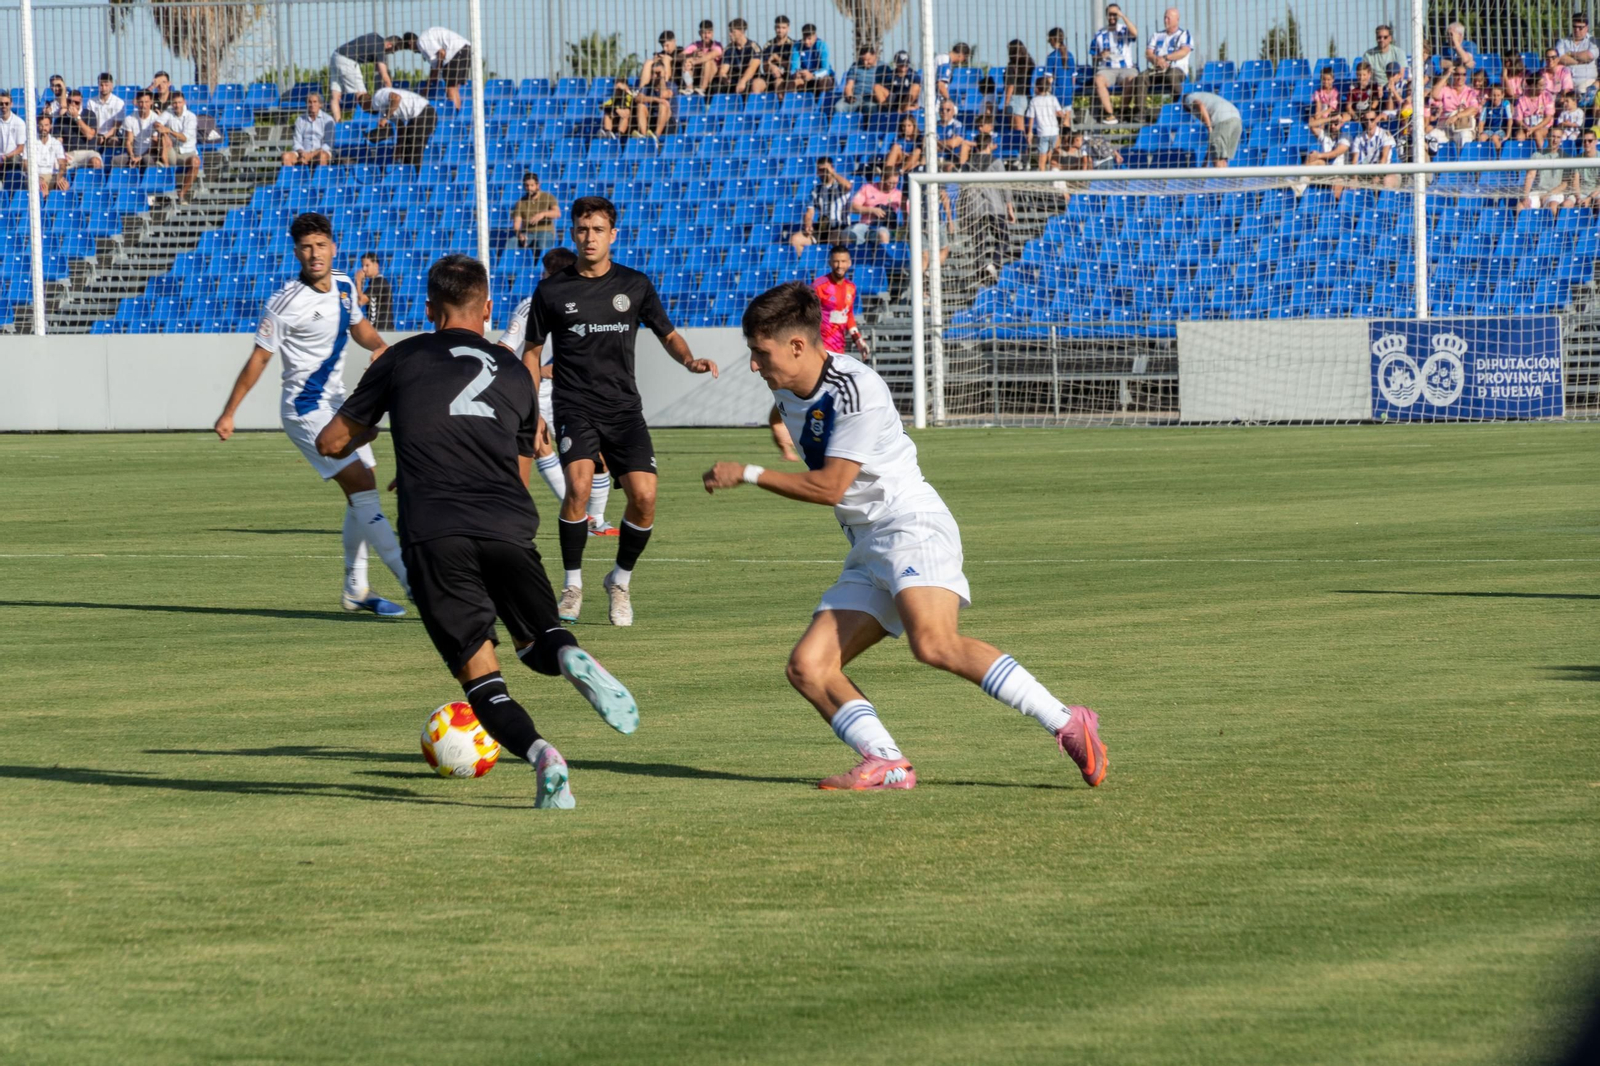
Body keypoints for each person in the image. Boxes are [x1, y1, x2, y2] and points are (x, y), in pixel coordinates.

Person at [702, 282, 1107, 792]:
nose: (755, 366)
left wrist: (749, 472)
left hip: (910, 526)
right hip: (868, 545)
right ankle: (888, 762)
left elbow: (830, 487)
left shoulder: (858, 390)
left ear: (798, 346)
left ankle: (1069, 723)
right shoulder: (786, 391)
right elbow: (798, 416)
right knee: (808, 666)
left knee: (933, 643)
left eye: (762, 353)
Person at [314, 253, 642, 811]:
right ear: (487, 308)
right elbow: (523, 463)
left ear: (428, 309)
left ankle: (545, 758)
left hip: (435, 532)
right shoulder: (516, 370)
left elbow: (332, 442)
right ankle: (567, 655)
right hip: (508, 524)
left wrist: (390, 435)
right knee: (538, 642)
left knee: (481, 677)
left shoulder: (400, 356)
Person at [522, 196, 718, 627]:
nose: (588, 238)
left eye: (597, 230)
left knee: (645, 499)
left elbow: (667, 333)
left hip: (625, 410)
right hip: (574, 405)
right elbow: (532, 353)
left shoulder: (634, 285)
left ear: (613, 234)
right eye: (581, 229)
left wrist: (689, 360)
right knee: (578, 487)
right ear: (572, 233)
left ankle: (620, 580)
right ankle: (572, 584)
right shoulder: (552, 289)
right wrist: (530, 410)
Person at [213, 212, 408, 619]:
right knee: (362, 485)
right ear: (296, 251)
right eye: (305, 246)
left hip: (338, 403)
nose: (313, 253)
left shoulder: (342, 285)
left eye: (320, 245)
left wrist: (382, 348)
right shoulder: (284, 303)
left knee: (363, 486)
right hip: (305, 409)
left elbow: (360, 328)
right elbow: (258, 360)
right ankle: (415, 584)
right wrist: (229, 413)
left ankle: (356, 589)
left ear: (332, 247)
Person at [499, 247, 618, 535]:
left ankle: (595, 519)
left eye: (545, 273)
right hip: (531, 388)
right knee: (540, 446)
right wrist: (539, 372)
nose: (542, 279)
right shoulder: (531, 306)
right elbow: (505, 350)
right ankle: (581, 518)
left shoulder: (579, 304)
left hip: (566, 390)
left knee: (596, 456)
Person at [961, 134, 1015, 278]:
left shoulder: (967, 165)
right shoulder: (996, 162)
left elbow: (962, 189)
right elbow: (1005, 186)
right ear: (989, 145)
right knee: (1003, 239)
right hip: (994, 207)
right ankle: (994, 264)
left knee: (979, 244)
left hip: (974, 209)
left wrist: (963, 212)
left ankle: (981, 277)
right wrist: (1009, 208)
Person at [812, 244, 871, 361]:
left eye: (843, 261)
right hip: (819, 348)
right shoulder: (819, 286)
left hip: (839, 349)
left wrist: (858, 339)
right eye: (836, 261)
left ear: (849, 263)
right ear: (830, 262)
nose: (839, 266)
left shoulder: (851, 287)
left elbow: (848, 315)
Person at [1137, 7, 1193, 121]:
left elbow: (1184, 51)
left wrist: (1165, 57)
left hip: (1176, 69)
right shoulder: (1157, 35)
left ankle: (1181, 107)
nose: (1165, 20)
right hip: (1158, 69)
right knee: (1141, 77)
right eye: (1165, 17)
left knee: (1171, 76)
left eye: (1169, 18)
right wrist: (1157, 60)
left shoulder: (1184, 34)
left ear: (1177, 19)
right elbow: (1148, 53)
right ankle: (1140, 113)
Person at [790, 156, 854, 255]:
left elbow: (848, 186)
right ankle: (807, 265)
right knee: (795, 240)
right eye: (820, 170)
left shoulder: (840, 187)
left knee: (835, 239)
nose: (823, 173)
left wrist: (832, 173)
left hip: (840, 227)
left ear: (832, 168)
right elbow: (810, 212)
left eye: (825, 170)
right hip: (822, 228)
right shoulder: (815, 190)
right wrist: (808, 224)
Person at [329, 32, 400, 121]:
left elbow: (375, 63)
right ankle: (372, 122)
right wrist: (389, 94)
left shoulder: (375, 36)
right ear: (389, 45)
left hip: (336, 56)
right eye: (391, 52)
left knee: (335, 96)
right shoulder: (380, 49)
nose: (389, 54)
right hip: (348, 60)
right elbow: (385, 78)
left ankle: (337, 125)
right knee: (362, 96)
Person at [1092, 4, 1141, 124]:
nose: (1112, 17)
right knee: (1098, 80)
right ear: (1106, 16)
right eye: (1110, 14)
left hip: (1126, 68)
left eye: (1115, 14)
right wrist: (1100, 55)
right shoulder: (1099, 34)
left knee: (1132, 79)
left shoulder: (1124, 29)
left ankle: (1122, 112)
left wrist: (1123, 16)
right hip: (1107, 68)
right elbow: (1094, 56)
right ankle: (1110, 114)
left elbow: (1135, 33)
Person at [369, 85, 437, 168]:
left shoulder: (378, 96)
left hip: (423, 113)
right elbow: (401, 128)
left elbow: (397, 98)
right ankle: (409, 176)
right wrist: (398, 148)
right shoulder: (388, 109)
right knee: (407, 150)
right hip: (422, 114)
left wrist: (385, 118)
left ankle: (412, 178)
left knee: (411, 153)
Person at [154, 90, 201, 203]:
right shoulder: (168, 112)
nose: (177, 105)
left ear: (184, 102)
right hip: (172, 150)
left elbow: (184, 138)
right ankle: (164, 163)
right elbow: (157, 123)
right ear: (171, 103)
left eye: (179, 102)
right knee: (162, 135)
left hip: (187, 152)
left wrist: (168, 131)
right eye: (175, 103)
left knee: (195, 162)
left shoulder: (191, 116)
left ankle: (182, 193)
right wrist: (164, 132)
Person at [410, 26, 473, 110]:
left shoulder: (421, 41)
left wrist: (439, 69)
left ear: (410, 43)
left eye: (410, 49)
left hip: (455, 52)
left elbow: (442, 53)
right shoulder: (427, 37)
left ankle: (455, 116)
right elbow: (435, 67)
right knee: (454, 87)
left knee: (450, 89)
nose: (414, 52)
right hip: (466, 49)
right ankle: (458, 116)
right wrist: (427, 87)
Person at [1184, 90, 1240, 167]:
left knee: (1218, 158)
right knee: (1222, 158)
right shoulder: (1207, 98)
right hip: (1237, 120)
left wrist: (1209, 127)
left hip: (1223, 120)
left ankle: (1219, 178)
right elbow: (1212, 145)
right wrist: (1206, 160)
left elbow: (1200, 105)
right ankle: (1225, 178)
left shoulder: (1188, 98)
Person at [1026, 73, 1071, 169]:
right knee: (1052, 152)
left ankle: (1042, 173)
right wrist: (1065, 115)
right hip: (1054, 130)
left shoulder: (1034, 101)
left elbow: (1031, 117)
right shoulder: (1053, 98)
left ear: (1037, 88)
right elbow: (1059, 113)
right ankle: (1052, 172)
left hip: (1042, 131)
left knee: (1042, 154)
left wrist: (1030, 132)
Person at [849, 164, 902, 244]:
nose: (893, 186)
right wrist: (872, 210)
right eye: (890, 183)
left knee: (882, 234)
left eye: (896, 183)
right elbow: (853, 207)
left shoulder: (898, 194)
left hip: (886, 227)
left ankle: (884, 255)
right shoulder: (867, 188)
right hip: (865, 226)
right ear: (882, 179)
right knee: (848, 234)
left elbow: (908, 211)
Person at [281, 91, 335, 168]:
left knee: (322, 156)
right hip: (303, 152)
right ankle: (291, 179)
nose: (312, 104)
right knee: (286, 157)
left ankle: (320, 179)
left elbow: (328, 144)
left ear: (320, 104)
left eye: (315, 102)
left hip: (321, 152)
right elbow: (296, 141)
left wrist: (311, 154)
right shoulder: (300, 119)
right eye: (309, 102)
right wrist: (302, 153)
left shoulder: (328, 119)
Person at [511, 172, 559, 253]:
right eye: (526, 185)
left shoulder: (548, 197)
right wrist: (519, 235)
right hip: (527, 233)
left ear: (538, 185)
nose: (529, 188)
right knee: (512, 243)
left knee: (542, 244)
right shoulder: (520, 202)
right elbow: (516, 223)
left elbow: (557, 213)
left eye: (532, 185)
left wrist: (543, 214)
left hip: (545, 231)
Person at [713, 18, 763, 95]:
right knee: (716, 84)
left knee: (755, 84)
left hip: (750, 79)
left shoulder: (754, 47)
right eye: (730, 31)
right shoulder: (729, 49)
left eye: (733, 31)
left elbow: (752, 68)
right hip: (734, 79)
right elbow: (723, 69)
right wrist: (724, 77)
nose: (730, 34)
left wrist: (743, 81)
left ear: (742, 32)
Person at [56, 91, 104, 170]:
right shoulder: (60, 120)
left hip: (88, 152)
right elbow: (58, 141)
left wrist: (76, 117)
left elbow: (90, 135)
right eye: (70, 101)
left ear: (81, 102)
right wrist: (62, 155)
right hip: (69, 153)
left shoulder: (90, 114)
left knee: (96, 162)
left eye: (76, 102)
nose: (73, 104)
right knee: (57, 165)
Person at [114, 90, 161, 167]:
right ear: (137, 102)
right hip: (134, 153)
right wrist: (132, 156)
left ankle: (149, 178)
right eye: (141, 102)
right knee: (115, 160)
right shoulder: (129, 119)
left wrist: (141, 157)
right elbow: (129, 141)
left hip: (149, 153)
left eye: (146, 102)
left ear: (151, 102)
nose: (143, 105)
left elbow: (154, 143)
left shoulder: (156, 119)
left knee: (147, 160)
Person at [836, 46, 888, 113]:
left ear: (874, 55)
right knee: (839, 107)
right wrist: (850, 96)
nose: (865, 63)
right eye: (863, 60)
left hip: (871, 98)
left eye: (868, 60)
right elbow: (849, 86)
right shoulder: (855, 66)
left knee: (871, 107)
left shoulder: (883, 67)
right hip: (856, 97)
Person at [1558, 13, 1598, 98]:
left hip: (1586, 81)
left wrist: (1569, 54)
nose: (1577, 30)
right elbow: (1560, 59)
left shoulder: (1593, 41)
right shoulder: (1562, 41)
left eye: (1580, 28)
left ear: (1587, 28)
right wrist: (1582, 61)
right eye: (1574, 27)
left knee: (1582, 90)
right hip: (1565, 82)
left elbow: (1589, 56)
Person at [999, 40, 1037, 133]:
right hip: (1026, 97)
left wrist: (1006, 103)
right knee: (1019, 128)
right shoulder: (1030, 64)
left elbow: (1010, 86)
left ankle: (1023, 147)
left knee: (1018, 129)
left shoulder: (1011, 67)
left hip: (1015, 99)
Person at [1522, 144, 1568, 212]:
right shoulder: (1537, 155)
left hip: (1555, 192)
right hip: (1537, 191)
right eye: (1553, 136)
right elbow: (1530, 175)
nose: (1554, 140)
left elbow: (1565, 183)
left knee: (1553, 206)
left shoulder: (1565, 157)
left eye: (1558, 137)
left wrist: (1549, 194)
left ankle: (1553, 222)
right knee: (1521, 207)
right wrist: (1525, 197)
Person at [85, 73, 125, 151]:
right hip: (95, 134)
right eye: (101, 85)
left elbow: (116, 126)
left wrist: (104, 137)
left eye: (106, 85)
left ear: (111, 85)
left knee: (114, 142)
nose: (104, 88)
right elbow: (89, 122)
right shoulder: (91, 102)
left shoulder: (119, 102)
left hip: (111, 135)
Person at [682, 20, 724, 95]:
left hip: (714, 75)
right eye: (704, 33)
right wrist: (692, 55)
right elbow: (680, 56)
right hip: (698, 73)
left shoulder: (717, 45)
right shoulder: (696, 45)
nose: (706, 36)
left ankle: (702, 88)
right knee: (688, 60)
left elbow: (709, 56)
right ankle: (689, 88)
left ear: (712, 33)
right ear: (700, 33)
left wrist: (693, 62)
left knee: (708, 61)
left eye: (709, 33)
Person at [33, 114, 69, 199]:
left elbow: (63, 164)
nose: (43, 128)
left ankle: (57, 210)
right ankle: (43, 209)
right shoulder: (31, 142)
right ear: (38, 126)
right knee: (41, 189)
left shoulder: (56, 143)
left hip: (50, 176)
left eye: (46, 125)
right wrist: (38, 179)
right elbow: (25, 165)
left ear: (50, 126)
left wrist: (59, 177)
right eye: (41, 125)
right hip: (35, 176)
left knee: (65, 186)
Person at [356, 251, 394, 330]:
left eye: (367, 265)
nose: (364, 269)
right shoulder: (375, 282)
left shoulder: (378, 282)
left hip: (383, 330)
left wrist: (359, 282)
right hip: (380, 329)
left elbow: (360, 301)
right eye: (362, 266)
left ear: (376, 265)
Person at [791, 23, 834, 92]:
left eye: (809, 39)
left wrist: (813, 75)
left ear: (815, 37)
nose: (806, 42)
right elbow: (793, 69)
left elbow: (826, 69)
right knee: (792, 83)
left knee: (825, 81)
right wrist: (797, 74)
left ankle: (821, 102)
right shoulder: (797, 46)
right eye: (804, 38)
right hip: (804, 78)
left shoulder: (822, 45)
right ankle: (795, 101)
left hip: (820, 76)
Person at [763, 15, 797, 95]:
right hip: (772, 78)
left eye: (783, 28)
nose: (780, 30)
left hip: (790, 76)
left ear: (788, 29)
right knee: (778, 82)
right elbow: (765, 66)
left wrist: (778, 58)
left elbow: (794, 66)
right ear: (775, 28)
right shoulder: (768, 45)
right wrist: (771, 67)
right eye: (778, 27)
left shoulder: (794, 45)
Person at [934, 98, 973, 166]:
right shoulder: (933, 125)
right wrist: (947, 144)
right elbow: (926, 144)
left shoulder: (957, 125)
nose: (944, 112)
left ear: (953, 111)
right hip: (934, 159)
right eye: (941, 109)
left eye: (948, 110)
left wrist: (936, 142)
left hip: (951, 159)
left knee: (949, 166)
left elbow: (953, 143)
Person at [1479, 82, 1514, 148]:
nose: (1495, 98)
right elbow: (1481, 121)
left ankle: (1497, 155)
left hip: (1500, 130)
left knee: (1494, 138)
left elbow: (1510, 120)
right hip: (1489, 130)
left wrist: (1508, 135)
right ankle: (1483, 155)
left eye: (1498, 95)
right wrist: (1480, 133)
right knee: (1481, 138)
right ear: (1489, 95)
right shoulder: (1487, 105)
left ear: (1502, 95)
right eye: (1493, 95)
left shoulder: (1505, 104)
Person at [0, 92, 24, 177]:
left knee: (13, 160)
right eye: (1, 103)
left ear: (11, 104)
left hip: (13, 156)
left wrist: (6, 156)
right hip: (1, 157)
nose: (4, 106)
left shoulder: (19, 122)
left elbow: (21, 148)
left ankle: (9, 186)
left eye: (6, 103)